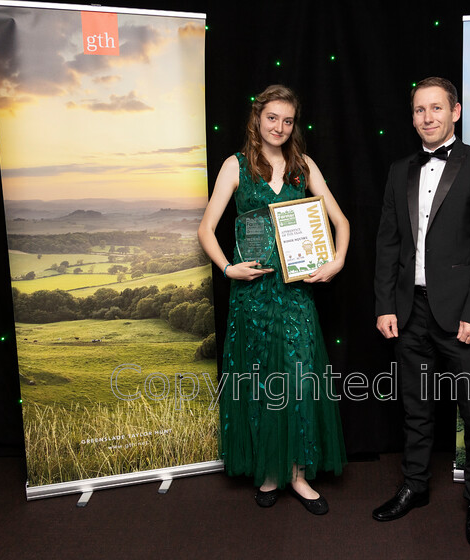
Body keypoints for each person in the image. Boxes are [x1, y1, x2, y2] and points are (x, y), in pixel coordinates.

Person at [197, 84, 349, 515]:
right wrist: (228, 268)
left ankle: (298, 476)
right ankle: (267, 473)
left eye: (287, 120)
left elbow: (341, 222)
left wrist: (336, 261)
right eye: (272, 118)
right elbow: (206, 228)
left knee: (299, 381)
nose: (280, 127)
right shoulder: (235, 166)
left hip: (296, 295)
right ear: (257, 118)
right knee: (261, 381)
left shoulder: (304, 166)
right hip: (252, 296)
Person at [372, 77, 470, 546]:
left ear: (454, 111)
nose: (426, 117)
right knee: (415, 407)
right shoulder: (399, 170)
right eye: (418, 110)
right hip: (410, 312)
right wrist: (385, 304)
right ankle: (415, 485)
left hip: (461, 317)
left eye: (435, 108)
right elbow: (388, 243)